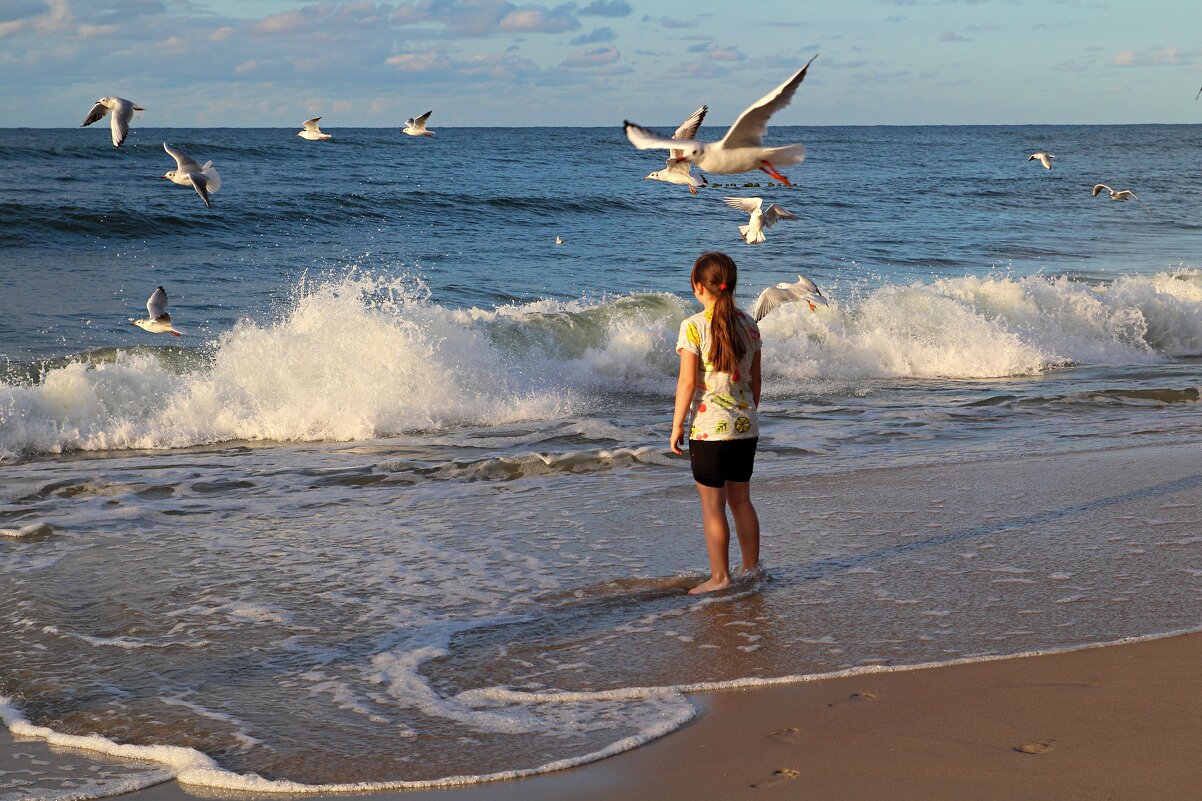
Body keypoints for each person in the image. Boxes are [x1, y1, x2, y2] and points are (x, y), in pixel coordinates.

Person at [670, 251, 762, 594]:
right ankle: (752, 570)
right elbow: (755, 383)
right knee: (742, 501)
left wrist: (678, 424)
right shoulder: (749, 325)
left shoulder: (693, 326)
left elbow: (687, 383)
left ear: (698, 287)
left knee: (713, 507)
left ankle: (720, 578)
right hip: (745, 427)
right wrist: (745, 411)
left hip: (708, 432)